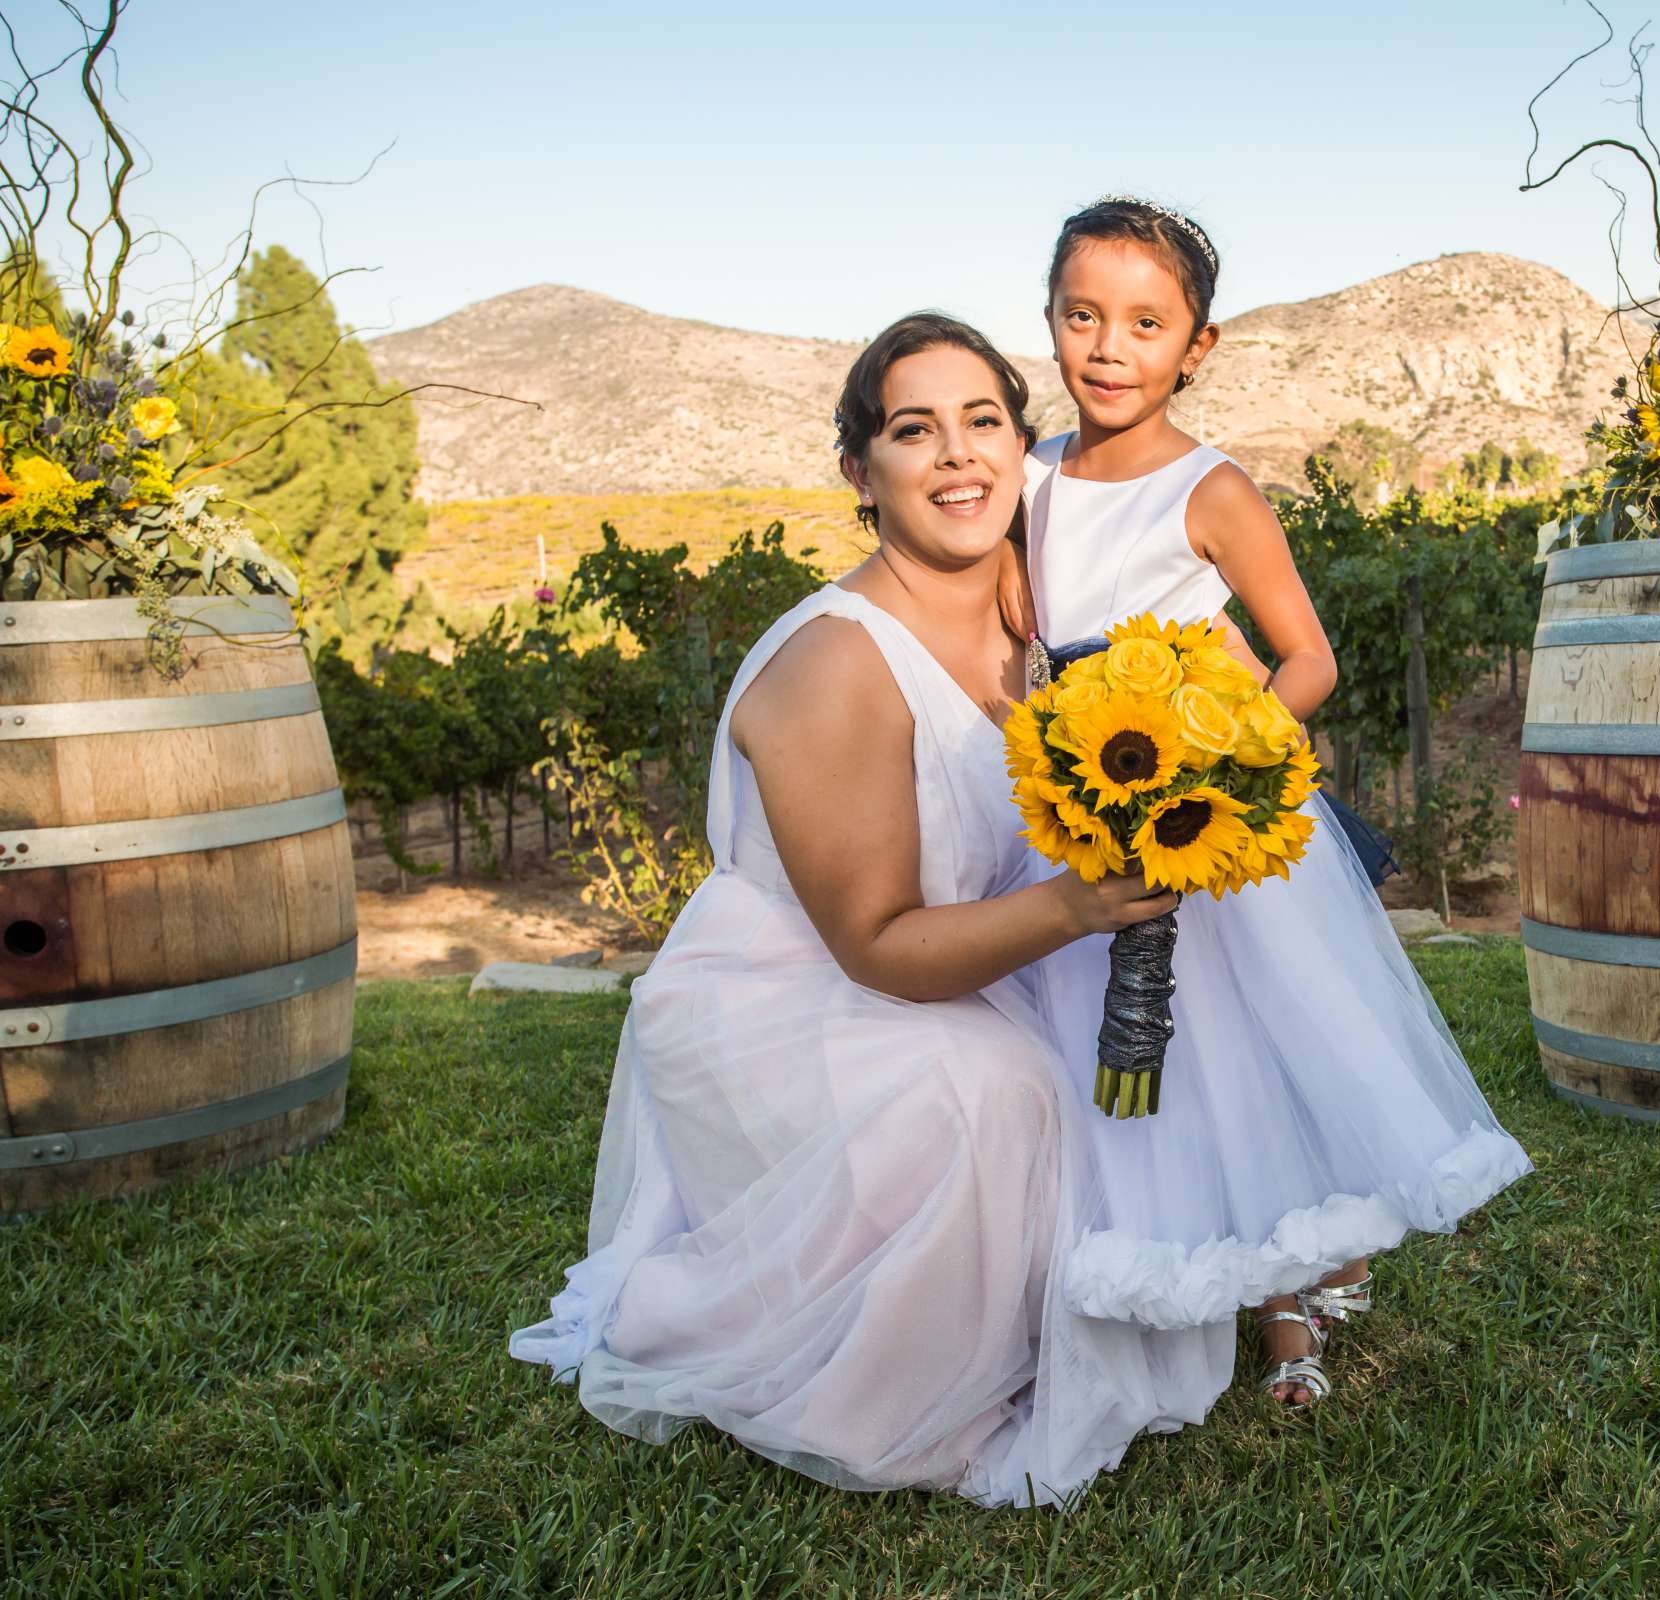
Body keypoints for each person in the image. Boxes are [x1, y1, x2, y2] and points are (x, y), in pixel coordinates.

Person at [509, 313, 1231, 1508]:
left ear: (1021, 442)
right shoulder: (837, 666)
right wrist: (1076, 906)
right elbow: (879, 945)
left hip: (956, 966)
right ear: (860, 470)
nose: (957, 457)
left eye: (982, 422)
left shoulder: (1028, 606)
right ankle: (879, 1390)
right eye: (914, 431)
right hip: (790, 1002)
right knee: (999, 1094)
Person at [1016, 197, 1533, 1408]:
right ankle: (1130, 1266)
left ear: (1196, 346)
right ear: (1047, 321)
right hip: (1081, 800)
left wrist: (1220, 758)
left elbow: (1308, 660)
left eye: (1145, 323)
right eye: (1082, 315)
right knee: (1124, 1057)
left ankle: (1289, 1291)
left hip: (1205, 811)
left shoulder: (1213, 489)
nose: (1108, 346)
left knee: (1249, 1056)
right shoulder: (1027, 474)